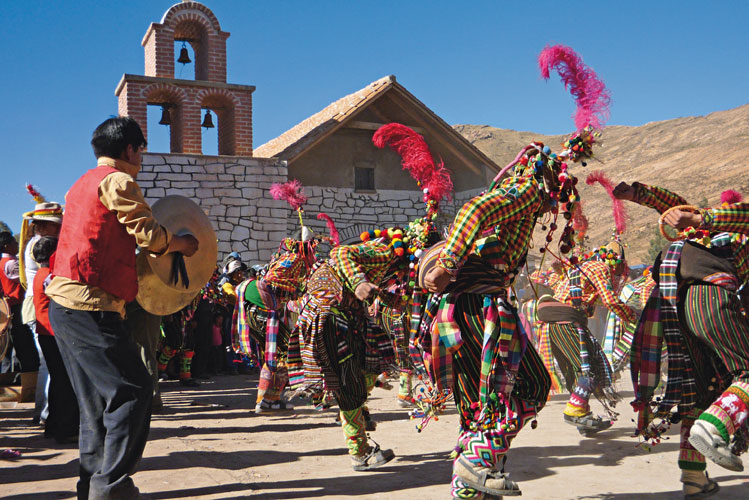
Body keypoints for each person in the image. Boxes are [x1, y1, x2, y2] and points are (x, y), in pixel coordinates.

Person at [47, 116, 198, 500]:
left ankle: (93, 487)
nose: (142, 158)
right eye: (141, 150)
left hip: (66, 305)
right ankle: (110, 488)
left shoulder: (78, 185)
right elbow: (147, 235)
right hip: (89, 305)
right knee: (133, 391)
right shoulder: (118, 181)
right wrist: (181, 244)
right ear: (130, 150)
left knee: (96, 405)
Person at [615, 181, 749, 499]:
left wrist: (637, 193)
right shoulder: (732, 228)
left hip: (675, 304)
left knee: (701, 387)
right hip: (709, 296)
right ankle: (714, 425)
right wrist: (702, 218)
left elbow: (672, 204)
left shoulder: (697, 227)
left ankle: (693, 476)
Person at [534, 242, 636, 435]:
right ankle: (575, 411)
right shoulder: (600, 268)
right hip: (566, 320)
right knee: (588, 370)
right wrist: (633, 316)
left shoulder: (583, 267)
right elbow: (610, 300)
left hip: (554, 321)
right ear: (614, 261)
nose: (620, 271)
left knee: (577, 370)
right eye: (620, 265)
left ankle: (583, 418)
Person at [19, 197, 63, 423]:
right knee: (48, 361)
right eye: (57, 224)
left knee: (46, 361)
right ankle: (45, 412)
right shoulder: (40, 246)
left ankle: (43, 411)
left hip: (37, 305)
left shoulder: (33, 243)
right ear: (46, 226)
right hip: (41, 307)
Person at [32, 236, 79, 443]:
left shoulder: (39, 274)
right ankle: (64, 428)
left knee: (58, 381)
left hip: (47, 334)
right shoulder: (49, 276)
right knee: (63, 382)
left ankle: (53, 425)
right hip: (53, 333)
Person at [0, 231, 39, 401]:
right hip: (18, 306)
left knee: (22, 345)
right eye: (14, 243)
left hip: (15, 307)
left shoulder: (6, 262)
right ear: (7, 246)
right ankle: (30, 384)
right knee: (25, 345)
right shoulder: (11, 263)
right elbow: (25, 279)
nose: (17, 246)